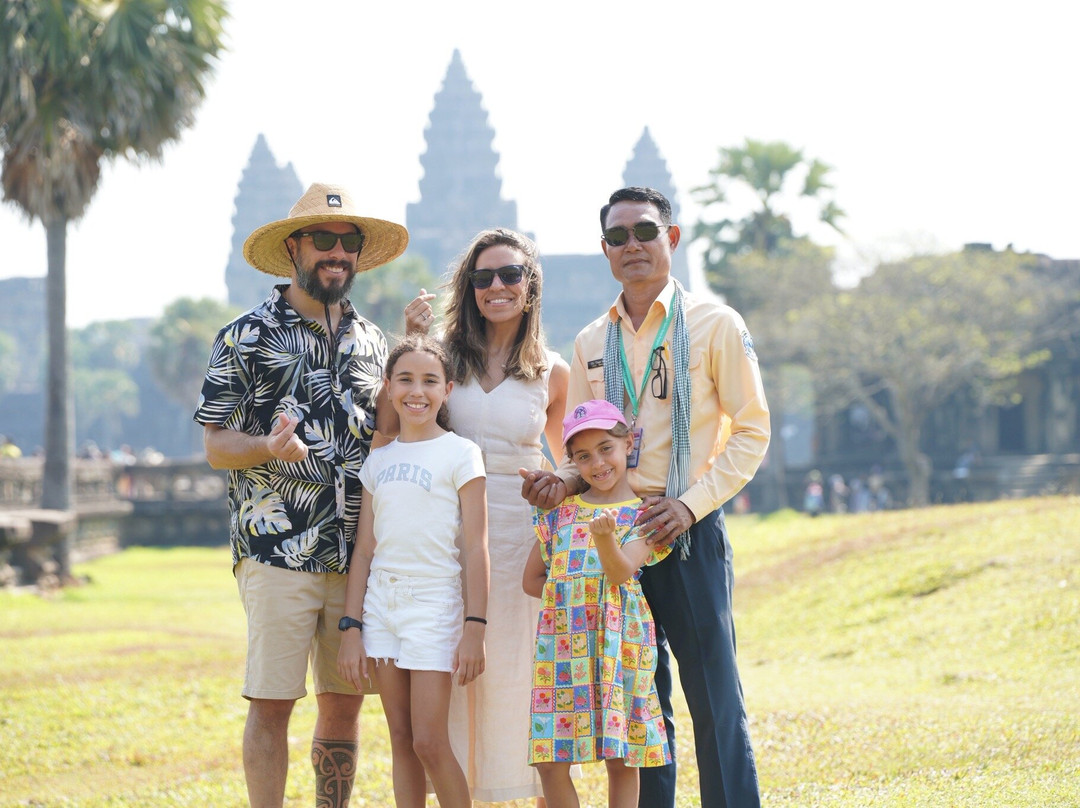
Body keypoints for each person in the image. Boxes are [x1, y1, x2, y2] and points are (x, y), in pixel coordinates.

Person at [520, 187, 771, 808]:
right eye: (618, 236)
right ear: (604, 250)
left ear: (672, 238)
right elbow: (586, 445)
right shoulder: (590, 342)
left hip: (683, 526)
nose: (632, 245)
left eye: (645, 232)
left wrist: (689, 506)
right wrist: (566, 483)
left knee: (713, 692)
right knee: (638, 702)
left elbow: (752, 429)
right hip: (613, 537)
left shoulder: (715, 325)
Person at [193, 182, 408, 808]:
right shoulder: (246, 335)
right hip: (276, 548)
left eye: (349, 243)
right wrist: (266, 447)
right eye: (324, 240)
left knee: (343, 706)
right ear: (295, 247)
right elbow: (215, 444)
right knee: (273, 702)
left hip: (354, 555)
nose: (337, 253)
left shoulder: (374, 343)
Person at [405, 227, 569, 802]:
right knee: (448, 666)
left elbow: (574, 461)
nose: (496, 286)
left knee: (516, 671)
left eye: (510, 275)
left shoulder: (551, 370)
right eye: (483, 277)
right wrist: (411, 341)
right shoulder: (444, 359)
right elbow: (405, 423)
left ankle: (518, 791)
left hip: (520, 536)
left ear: (531, 286)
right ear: (468, 287)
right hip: (447, 529)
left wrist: (558, 481)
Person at [337, 334, 489, 808]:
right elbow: (364, 550)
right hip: (381, 607)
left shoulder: (461, 454)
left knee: (429, 740)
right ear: (387, 386)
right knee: (401, 740)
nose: (416, 391)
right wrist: (350, 627)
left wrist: (475, 628)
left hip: (434, 605)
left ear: (447, 389)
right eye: (404, 379)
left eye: (429, 380)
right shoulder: (378, 461)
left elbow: (475, 545)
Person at [522, 400, 672, 808]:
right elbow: (532, 579)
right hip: (562, 649)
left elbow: (621, 573)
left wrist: (604, 538)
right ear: (570, 461)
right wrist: (571, 602)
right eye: (583, 456)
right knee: (550, 760)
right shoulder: (560, 514)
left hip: (619, 645)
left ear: (628, 445)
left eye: (607, 448)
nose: (598, 463)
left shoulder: (645, 515)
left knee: (620, 756)